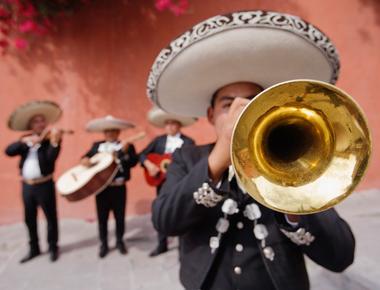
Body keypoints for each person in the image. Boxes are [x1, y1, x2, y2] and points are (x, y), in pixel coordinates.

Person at [148, 11, 355, 290]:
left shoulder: (294, 161)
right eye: (228, 105)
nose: (240, 113)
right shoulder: (188, 157)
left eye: (253, 103)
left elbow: (340, 256)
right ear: (210, 115)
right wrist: (218, 158)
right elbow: (164, 222)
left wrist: (296, 203)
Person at [5, 100, 63, 263]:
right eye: (36, 121)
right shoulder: (25, 140)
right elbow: (8, 151)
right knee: (29, 218)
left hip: (45, 184)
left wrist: (55, 142)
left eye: (42, 120)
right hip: (27, 186)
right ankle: (34, 249)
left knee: (50, 217)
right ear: (31, 124)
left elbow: (51, 159)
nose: (40, 123)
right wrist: (25, 141)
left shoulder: (50, 140)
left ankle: (53, 247)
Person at [139, 107, 196, 257]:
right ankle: (161, 244)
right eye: (167, 124)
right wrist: (149, 165)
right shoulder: (158, 141)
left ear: (179, 125)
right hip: (161, 183)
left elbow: (192, 163)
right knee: (162, 211)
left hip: (181, 183)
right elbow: (142, 155)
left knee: (182, 211)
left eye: (173, 123)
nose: (169, 126)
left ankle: (182, 248)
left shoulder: (189, 142)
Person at [81, 115, 139, 258]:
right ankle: (104, 244)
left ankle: (120, 241)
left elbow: (133, 162)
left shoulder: (127, 145)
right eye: (107, 131)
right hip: (101, 188)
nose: (110, 134)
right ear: (104, 133)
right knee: (102, 217)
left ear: (118, 132)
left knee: (120, 216)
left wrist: (124, 153)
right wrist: (85, 160)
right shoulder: (97, 146)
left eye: (113, 131)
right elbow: (85, 157)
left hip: (119, 187)